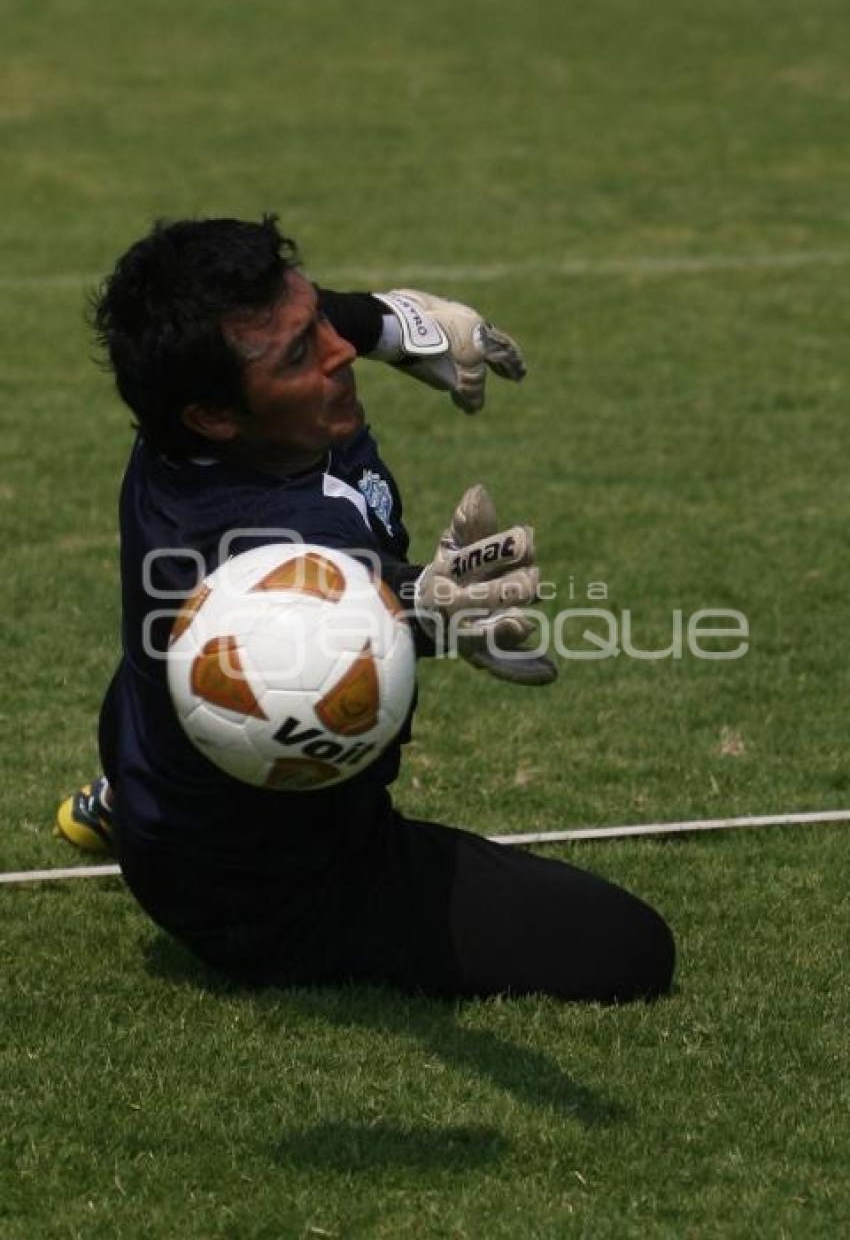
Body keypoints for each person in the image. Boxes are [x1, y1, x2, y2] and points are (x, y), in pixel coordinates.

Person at [56, 215, 675, 1001]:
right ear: (214, 414)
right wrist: (425, 605)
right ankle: (159, 801)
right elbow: (329, 597)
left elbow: (314, 324)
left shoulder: (194, 416)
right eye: (299, 353)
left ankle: (135, 788)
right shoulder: (244, 553)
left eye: (315, 316)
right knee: (626, 949)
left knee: (172, 663)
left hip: (159, 756)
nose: (335, 349)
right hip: (262, 889)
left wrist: (400, 326)